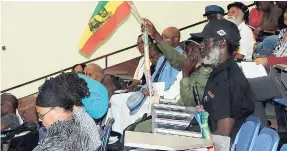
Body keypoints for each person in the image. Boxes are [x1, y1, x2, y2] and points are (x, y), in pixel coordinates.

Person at [140, 18, 255, 141]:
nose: (202, 46)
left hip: (206, 141)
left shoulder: (227, 81)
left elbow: (222, 135)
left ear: (222, 43)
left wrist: (186, 142)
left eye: (206, 42)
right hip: (198, 130)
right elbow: (179, 60)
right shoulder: (219, 70)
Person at [107, 43, 180, 135]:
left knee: (127, 103)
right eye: (138, 44)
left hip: (158, 95)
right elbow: (150, 80)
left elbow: (165, 85)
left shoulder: (172, 62)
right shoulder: (145, 60)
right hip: (145, 90)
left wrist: (144, 87)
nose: (151, 60)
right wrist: (143, 88)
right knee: (115, 98)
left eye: (153, 57)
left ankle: (125, 131)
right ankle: (115, 130)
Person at [33, 72, 101, 151]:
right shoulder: (79, 117)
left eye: (41, 115)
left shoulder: (62, 140)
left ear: (57, 109)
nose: (40, 120)